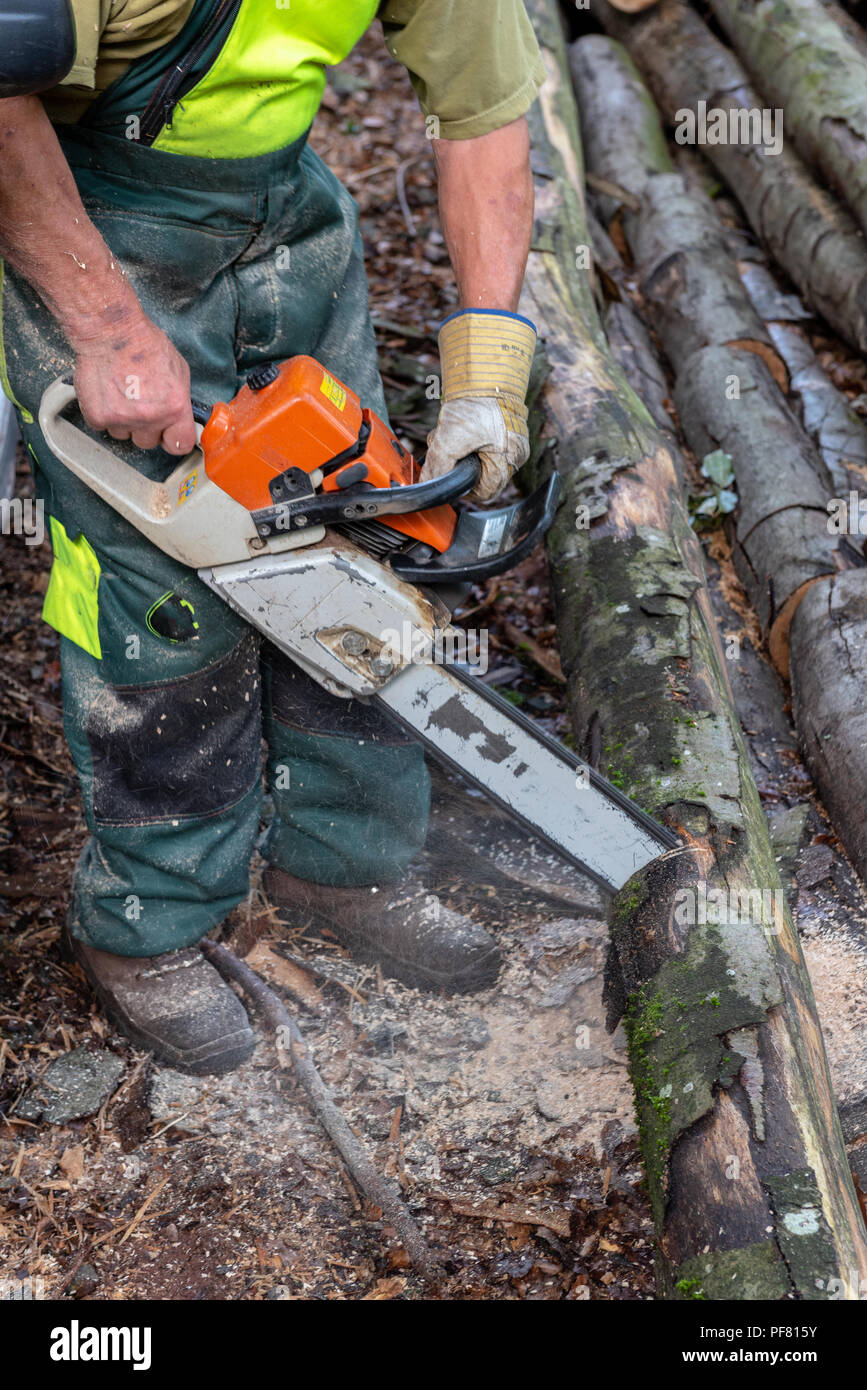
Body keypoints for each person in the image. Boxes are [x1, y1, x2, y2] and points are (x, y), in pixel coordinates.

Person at [0, 0, 545, 1073]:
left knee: (362, 535)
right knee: (164, 597)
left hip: (283, 213)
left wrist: (490, 378)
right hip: (83, 207)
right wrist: (108, 328)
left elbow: (483, 110)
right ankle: (147, 923)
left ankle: (347, 858)